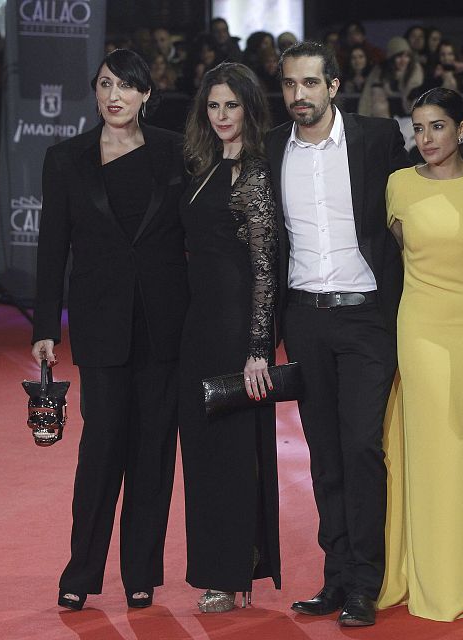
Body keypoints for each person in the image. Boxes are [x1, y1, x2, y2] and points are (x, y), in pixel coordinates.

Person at [31, 48, 188, 611]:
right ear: (94, 93)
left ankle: (142, 571)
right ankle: (80, 573)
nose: (114, 95)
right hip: (100, 329)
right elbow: (53, 247)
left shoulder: (176, 151)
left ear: (147, 94)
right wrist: (45, 324)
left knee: (152, 454)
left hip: (164, 327)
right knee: (99, 452)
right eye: (104, 84)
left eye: (126, 85)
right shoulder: (66, 158)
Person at [265, 41, 410, 627]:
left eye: (309, 83)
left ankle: (364, 585)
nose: (298, 95)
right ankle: (335, 576)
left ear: (334, 85)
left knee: (360, 447)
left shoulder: (376, 139)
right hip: (304, 317)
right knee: (324, 454)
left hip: (367, 317)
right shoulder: (270, 148)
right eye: (289, 85)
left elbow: (416, 206)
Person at [377, 87, 463, 622]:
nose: (426, 138)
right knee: (431, 452)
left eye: (437, 126)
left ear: (461, 129)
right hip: (422, 330)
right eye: (417, 128)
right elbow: (393, 256)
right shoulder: (396, 187)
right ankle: (428, 573)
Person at [178, 62, 280, 613]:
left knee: (236, 456)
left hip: (235, 330)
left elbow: (266, 268)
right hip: (196, 330)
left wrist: (258, 349)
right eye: (213, 105)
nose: (221, 116)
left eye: (231, 106)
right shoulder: (202, 167)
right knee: (201, 457)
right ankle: (215, 570)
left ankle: (234, 572)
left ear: (249, 109)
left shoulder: (255, 174)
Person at [358, 36, 424, 117]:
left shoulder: (415, 70)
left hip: (409, 121)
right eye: (399, 56)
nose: (403, 60)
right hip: (384, 122)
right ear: (391, 58)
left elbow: (415, 102)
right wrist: (362, 118)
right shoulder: (380, 71)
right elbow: (367, 96)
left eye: (407, 56)